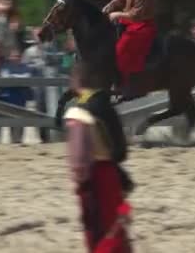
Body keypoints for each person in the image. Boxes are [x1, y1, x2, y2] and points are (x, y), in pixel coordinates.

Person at [63, 63, 133, 253]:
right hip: (111, 173)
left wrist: (80, 180)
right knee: (115, 226)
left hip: (94, 177)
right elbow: (122, 149)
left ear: (75, 82)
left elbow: (78, 158)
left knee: (96, 227)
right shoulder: (106, 106)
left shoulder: (79, 111)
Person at [102, 0, 157, 100]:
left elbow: (136, 14)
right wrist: (109, 6)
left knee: (121, 50)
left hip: (143, 25)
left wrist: (117, 14)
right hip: (129, 21)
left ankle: (128, 86)